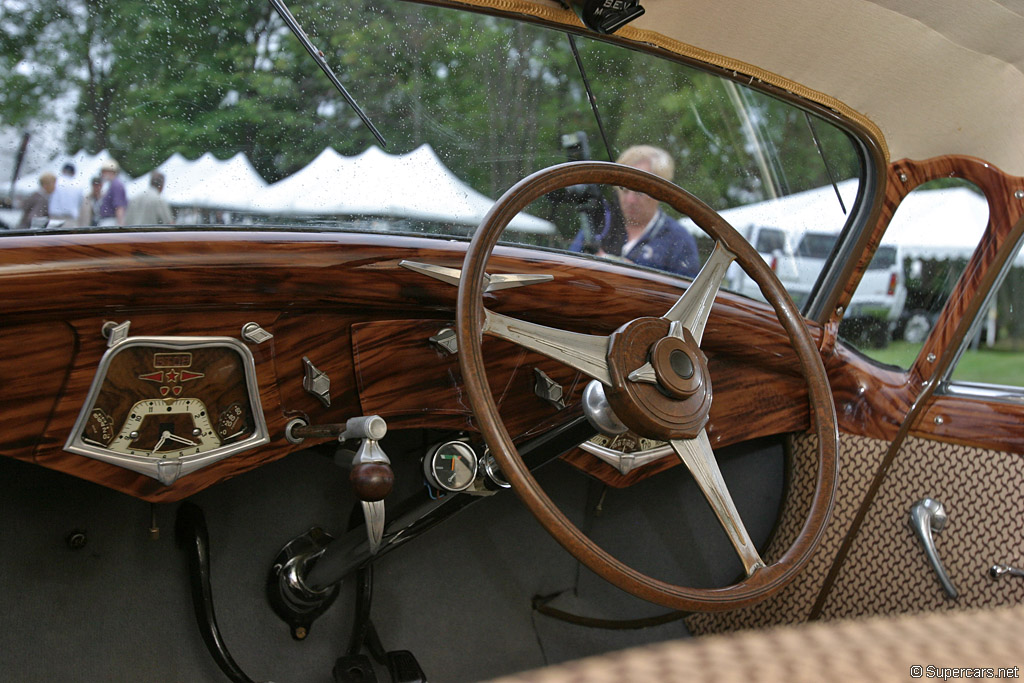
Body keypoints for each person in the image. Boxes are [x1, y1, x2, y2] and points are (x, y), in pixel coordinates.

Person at [570, 145, 700, 278]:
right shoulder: (598, 227)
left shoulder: (679, 240)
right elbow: (569, 273)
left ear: (661, 193)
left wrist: (637, 279)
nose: (630, 200)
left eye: (640, 192)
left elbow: (689, 295)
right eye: (624, 190)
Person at [97, 159, 127, 226]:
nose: (102, 174)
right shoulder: (111, 185)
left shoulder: (116, 185)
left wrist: (120, 224)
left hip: (111, 221)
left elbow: (119, 207)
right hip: (108, 220)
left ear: (111, 172)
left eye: (104, 171)